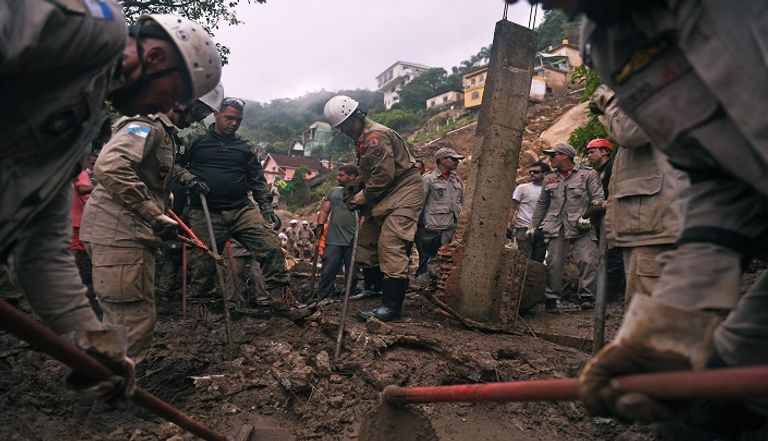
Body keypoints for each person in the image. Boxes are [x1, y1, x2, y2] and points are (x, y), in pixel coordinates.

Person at [520, 0, 768, 435]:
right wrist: (672, 326)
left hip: (650, 224)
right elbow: (716, 179)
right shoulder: (612, 43)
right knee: (706, 418)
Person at [1, 4, 215, 398]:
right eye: (173, 95)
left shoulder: (77, 133)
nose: (161, 109)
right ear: (155, 58)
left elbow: (41, 252)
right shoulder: (94, 29)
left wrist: (95, 343)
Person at [81, 43, 223, 362]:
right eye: (198, 110)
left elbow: (144, 178)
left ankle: (106, 391)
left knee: (125, 319)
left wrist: (163, 203)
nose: (197, 119)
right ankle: (111, 402)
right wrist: (152, 212)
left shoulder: (163, 132)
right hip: (118, 236)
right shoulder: (146, 124)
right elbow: (110, 165)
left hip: (125, 235)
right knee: (131, 322)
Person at [174, 97, 290, 318]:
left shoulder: (245, 146)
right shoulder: (195, 140)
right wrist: (188, 177)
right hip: (205, 209)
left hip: (240, 209)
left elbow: (256, 179)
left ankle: (280, 298)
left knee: (270, 244)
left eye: (238, 120)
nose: (234, 123)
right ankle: (202, 310)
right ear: (216, 114)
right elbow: (174, 166)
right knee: (203, 261)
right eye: (229, 118)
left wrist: (265, 207)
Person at [324, 95, 425, 322]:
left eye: (348, 124)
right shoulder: (361, 139)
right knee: (366, 241)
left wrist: (360, 198)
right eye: (342, 128)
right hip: (386, 192)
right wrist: (356, 185)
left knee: (390, 242)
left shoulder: (375, 137)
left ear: (358, 115)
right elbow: (371, 172)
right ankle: (375, 287)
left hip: (404, 189)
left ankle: (391, 306)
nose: (346, 130)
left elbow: (383, 176)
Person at [590, 86, 687, 308]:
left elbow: (629, 130)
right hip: (654, 223)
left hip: (660, 225)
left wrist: (608, 96)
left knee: (650, 317)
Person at [529, 143, 604, 313]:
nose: (550, 159)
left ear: (564, 155)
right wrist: (533, 226)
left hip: (582, 225)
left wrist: (588, 217)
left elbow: (598, 200)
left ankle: (587, 297)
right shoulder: (549, 178)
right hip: (556, 226)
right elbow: (542, 204)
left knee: (588, 260)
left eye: (553, 155)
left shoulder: (588, 174)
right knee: (554, 263)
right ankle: (551, 300)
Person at [415, 147, 464, 285]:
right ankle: (433, 286)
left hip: (454, 227)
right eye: (453, 159)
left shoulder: (457, 180)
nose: (457, 162)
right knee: (435, 259)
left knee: (451, 258)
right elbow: (419, 204)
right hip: (435, 227)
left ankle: (445, 287)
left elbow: (462, 202)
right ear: (442, 160)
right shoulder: (428, 180)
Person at [313, 164, 360, 301]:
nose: (337, 177)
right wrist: (320, 226)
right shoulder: (334, 192)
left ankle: (348, 295)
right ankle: (324, 295)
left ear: (351, 177)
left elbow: (364, 216)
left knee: (353, 271)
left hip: (353, 238)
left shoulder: (360, 193)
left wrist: (359, 234)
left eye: (341, 175)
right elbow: (324, 210)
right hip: (334, 238)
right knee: (328, 268)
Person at [586, 138, 625, 300]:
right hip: (602, 217)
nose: (589, 155)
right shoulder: (598, 171)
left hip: (613, 216)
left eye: (592, 151)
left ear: (604, 152)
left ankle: (610, 294)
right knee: (606, 255)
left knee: (614, 254)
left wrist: (606, 204)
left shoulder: (612, 167)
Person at [510, 161, 550, 263]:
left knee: (538, 261)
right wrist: (510, 225)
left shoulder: (550, 189)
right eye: (530, 171)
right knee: (524, 259)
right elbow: (513, 207)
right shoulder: (522, 188)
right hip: (523, 227)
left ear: (545, 173)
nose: (532, 174)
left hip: (542, 229)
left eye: (536, 172)